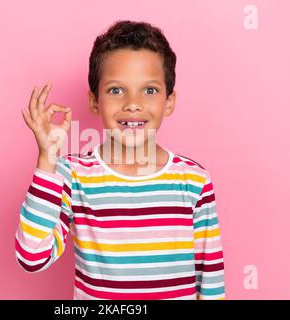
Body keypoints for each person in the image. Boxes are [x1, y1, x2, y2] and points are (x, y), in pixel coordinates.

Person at [16, 20, 226, 300]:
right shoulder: (71, 176)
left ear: (169, 101)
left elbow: (210, 280)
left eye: (149, 90)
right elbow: (32, 257)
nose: (133, 103)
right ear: (94, 102)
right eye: (116, 90)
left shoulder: (195, 181)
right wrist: (47, 159)